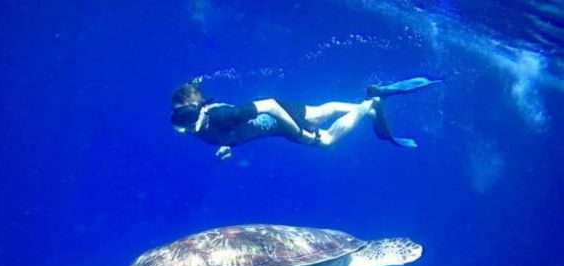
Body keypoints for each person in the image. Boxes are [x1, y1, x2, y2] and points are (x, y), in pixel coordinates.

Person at [171, 77, 441, 160]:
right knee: (322, 112)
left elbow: (270, 104)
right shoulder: (202, 129)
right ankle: (367, 105)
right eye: (178, 123)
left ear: (198, 110)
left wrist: (296, 133)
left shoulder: (222, 116)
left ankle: (369, 105)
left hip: (281, 119)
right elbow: (231, 132)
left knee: (326, 141)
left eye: (186, 120)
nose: (183, 130)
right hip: (279, 122)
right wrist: (227, 146)